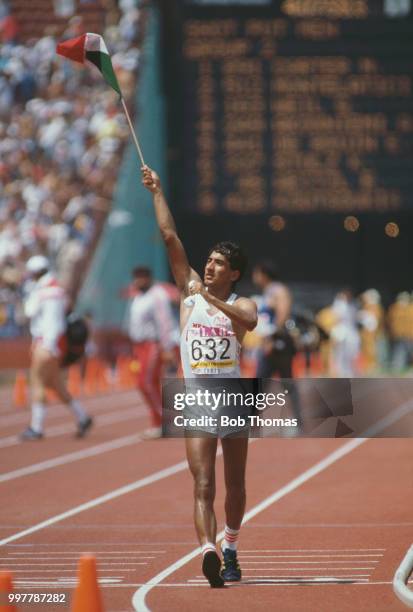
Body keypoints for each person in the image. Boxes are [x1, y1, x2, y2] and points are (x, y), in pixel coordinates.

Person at [141, 165, 257, 588]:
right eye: (207, 261)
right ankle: (208, 551)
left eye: (218, 263)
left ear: (234, 273)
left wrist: (209, 298)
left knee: (237, 486)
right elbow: (170, 237)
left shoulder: (243, 303)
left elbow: (250, 320)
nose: (208, 267)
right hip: (198, 398)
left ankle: (231, 547)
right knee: (203, 482)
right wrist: (156, 190)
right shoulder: (188, 289)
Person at [20, 255, 93, 440]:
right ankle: (82, 417)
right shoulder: (57, 289)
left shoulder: (43, 291)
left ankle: (36, 428)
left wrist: (48, 345)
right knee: (56, 385)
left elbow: (29, 312)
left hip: (46, 342)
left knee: (37, 382)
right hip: (56, 342)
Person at [127, 265, 179, 439]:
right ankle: (158, 422)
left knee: (145, 383)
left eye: (140, 277)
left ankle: (165, 421)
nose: (137, 281)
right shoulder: (137, 297)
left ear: (148, 278)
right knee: (151, 384)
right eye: (135, 277)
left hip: (154, 344)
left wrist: (167, 347)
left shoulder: (157, 295)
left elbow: (165, 321)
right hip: (139, 345)